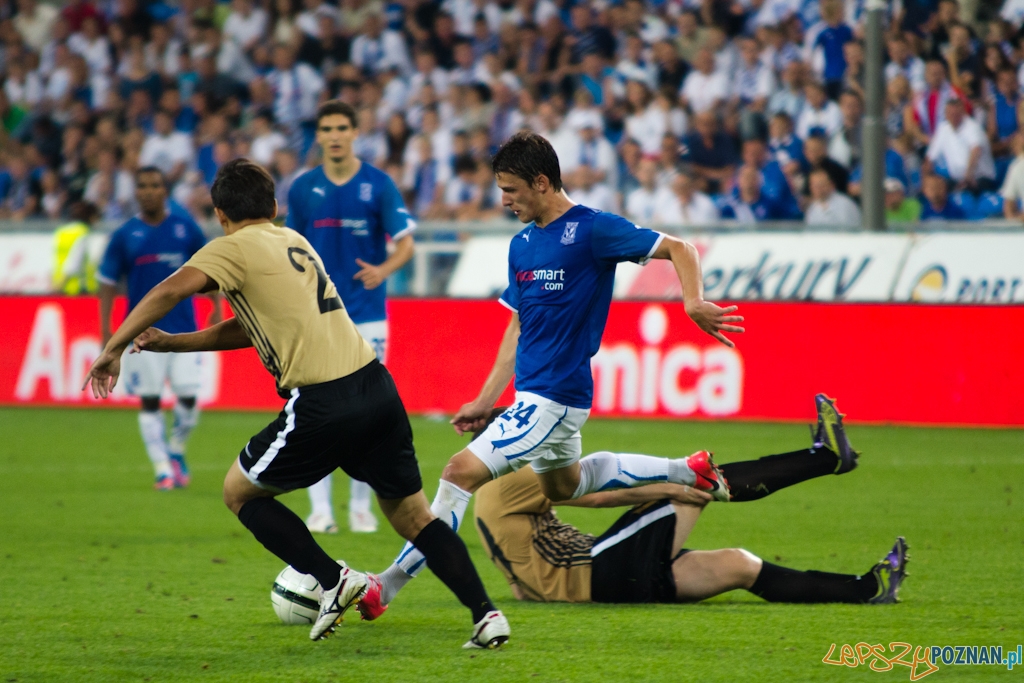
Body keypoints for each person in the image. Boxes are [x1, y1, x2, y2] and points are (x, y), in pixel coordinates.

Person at [82, 159, 509, 649]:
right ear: (275, 206)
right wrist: (175, 342)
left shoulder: (230, 248)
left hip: (323, 400)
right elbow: (252, 324)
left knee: (239, 493)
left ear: (220, 214)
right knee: (415, 517)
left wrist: (114, 345)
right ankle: (486, 614)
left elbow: (170, 288)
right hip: (377, 387)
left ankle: (334, 579)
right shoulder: (295, 242)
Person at [358, 131, 743, 619]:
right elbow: (517, 327)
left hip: (553, 397)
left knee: (457, 474)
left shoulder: (594, 229)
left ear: (541, 182)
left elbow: (681, 248)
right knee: (565, 486)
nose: (504, 200)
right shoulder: (521, 246)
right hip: (539, 396)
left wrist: (692, 301)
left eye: (512, 190)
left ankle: (385, 587)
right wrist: (484, 398)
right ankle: (686, 470)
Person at [473, 396, 908, 607]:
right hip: (598, 570)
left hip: (604, 577)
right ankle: (826, 458)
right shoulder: (506, 476)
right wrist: (672, 486)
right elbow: (599, 490)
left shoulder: (492, 493)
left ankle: (869, 589)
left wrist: (532, 589)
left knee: (739, 564)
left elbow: (588, 501)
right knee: (699, 483)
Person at [287, 100, 417, 535]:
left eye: (343, 126)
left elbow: (406, 244)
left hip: (367, 316)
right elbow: (290, 250)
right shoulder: (303, 189)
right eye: (328, 128)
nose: (336, 134)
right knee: (318, 410)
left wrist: (383, 270)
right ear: (319, 136)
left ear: (355, 132)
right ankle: (321, 509)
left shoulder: (378, 185)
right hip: (319, 316)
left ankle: (361, 507)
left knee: (369, 411)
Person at [96, 167, 216, 490]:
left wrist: (217, 307)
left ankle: (175, 450)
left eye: (155, 185)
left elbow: (211, 267)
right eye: (143, 186)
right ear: (136, 192)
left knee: (189, 397)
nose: (149, 191)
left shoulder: (185, 228)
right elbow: (107, 282)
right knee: (150, 400)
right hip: (142, 335)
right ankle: (163, 468)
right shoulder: (124, 235)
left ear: (166, 190)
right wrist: (107, 329)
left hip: (184, 332)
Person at [52, 200, 100, 295]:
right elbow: (74, 263)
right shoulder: (83, 233)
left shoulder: (61, 232)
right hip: (76, 289)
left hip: (60, 286)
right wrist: (60, 285)